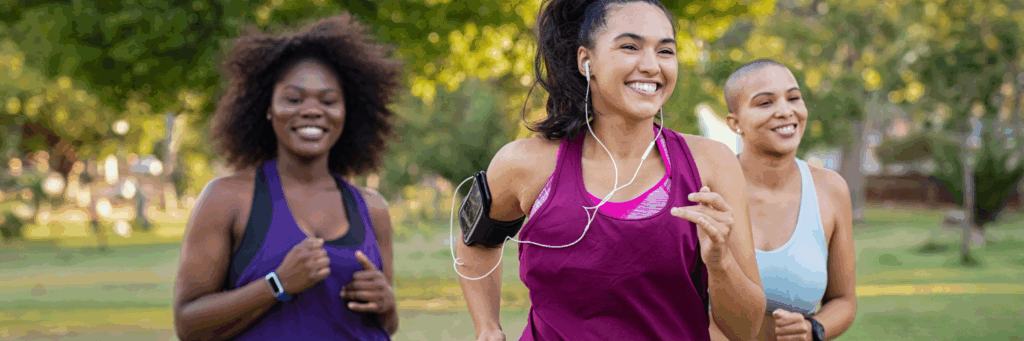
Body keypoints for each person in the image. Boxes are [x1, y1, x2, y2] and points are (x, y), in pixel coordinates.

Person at [455, 1, 766, 340]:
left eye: (665, 51)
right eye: (630, 47)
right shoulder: (525, 163)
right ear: (586, 60)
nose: (651, 66)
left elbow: (744, 331)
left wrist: (721, 264)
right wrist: (487, 327)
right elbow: (476, 242)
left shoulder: (711, 164)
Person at [172, 14, 403, 341]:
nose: (311, 110)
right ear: (267, 108)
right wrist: (277, 284)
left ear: (347, 112)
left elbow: (387, 326)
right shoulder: (227, 199)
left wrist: (387, 302)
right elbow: (188, 325)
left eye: (328, 101)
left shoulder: (372, 208)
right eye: (294, 99)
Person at [710, 59, 857, 341]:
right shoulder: (707, 190)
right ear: (735, 122)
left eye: (793, 98)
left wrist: (813, 329)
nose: (785, 111)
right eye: (765, 103)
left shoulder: (831, 190)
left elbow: (844, 301)